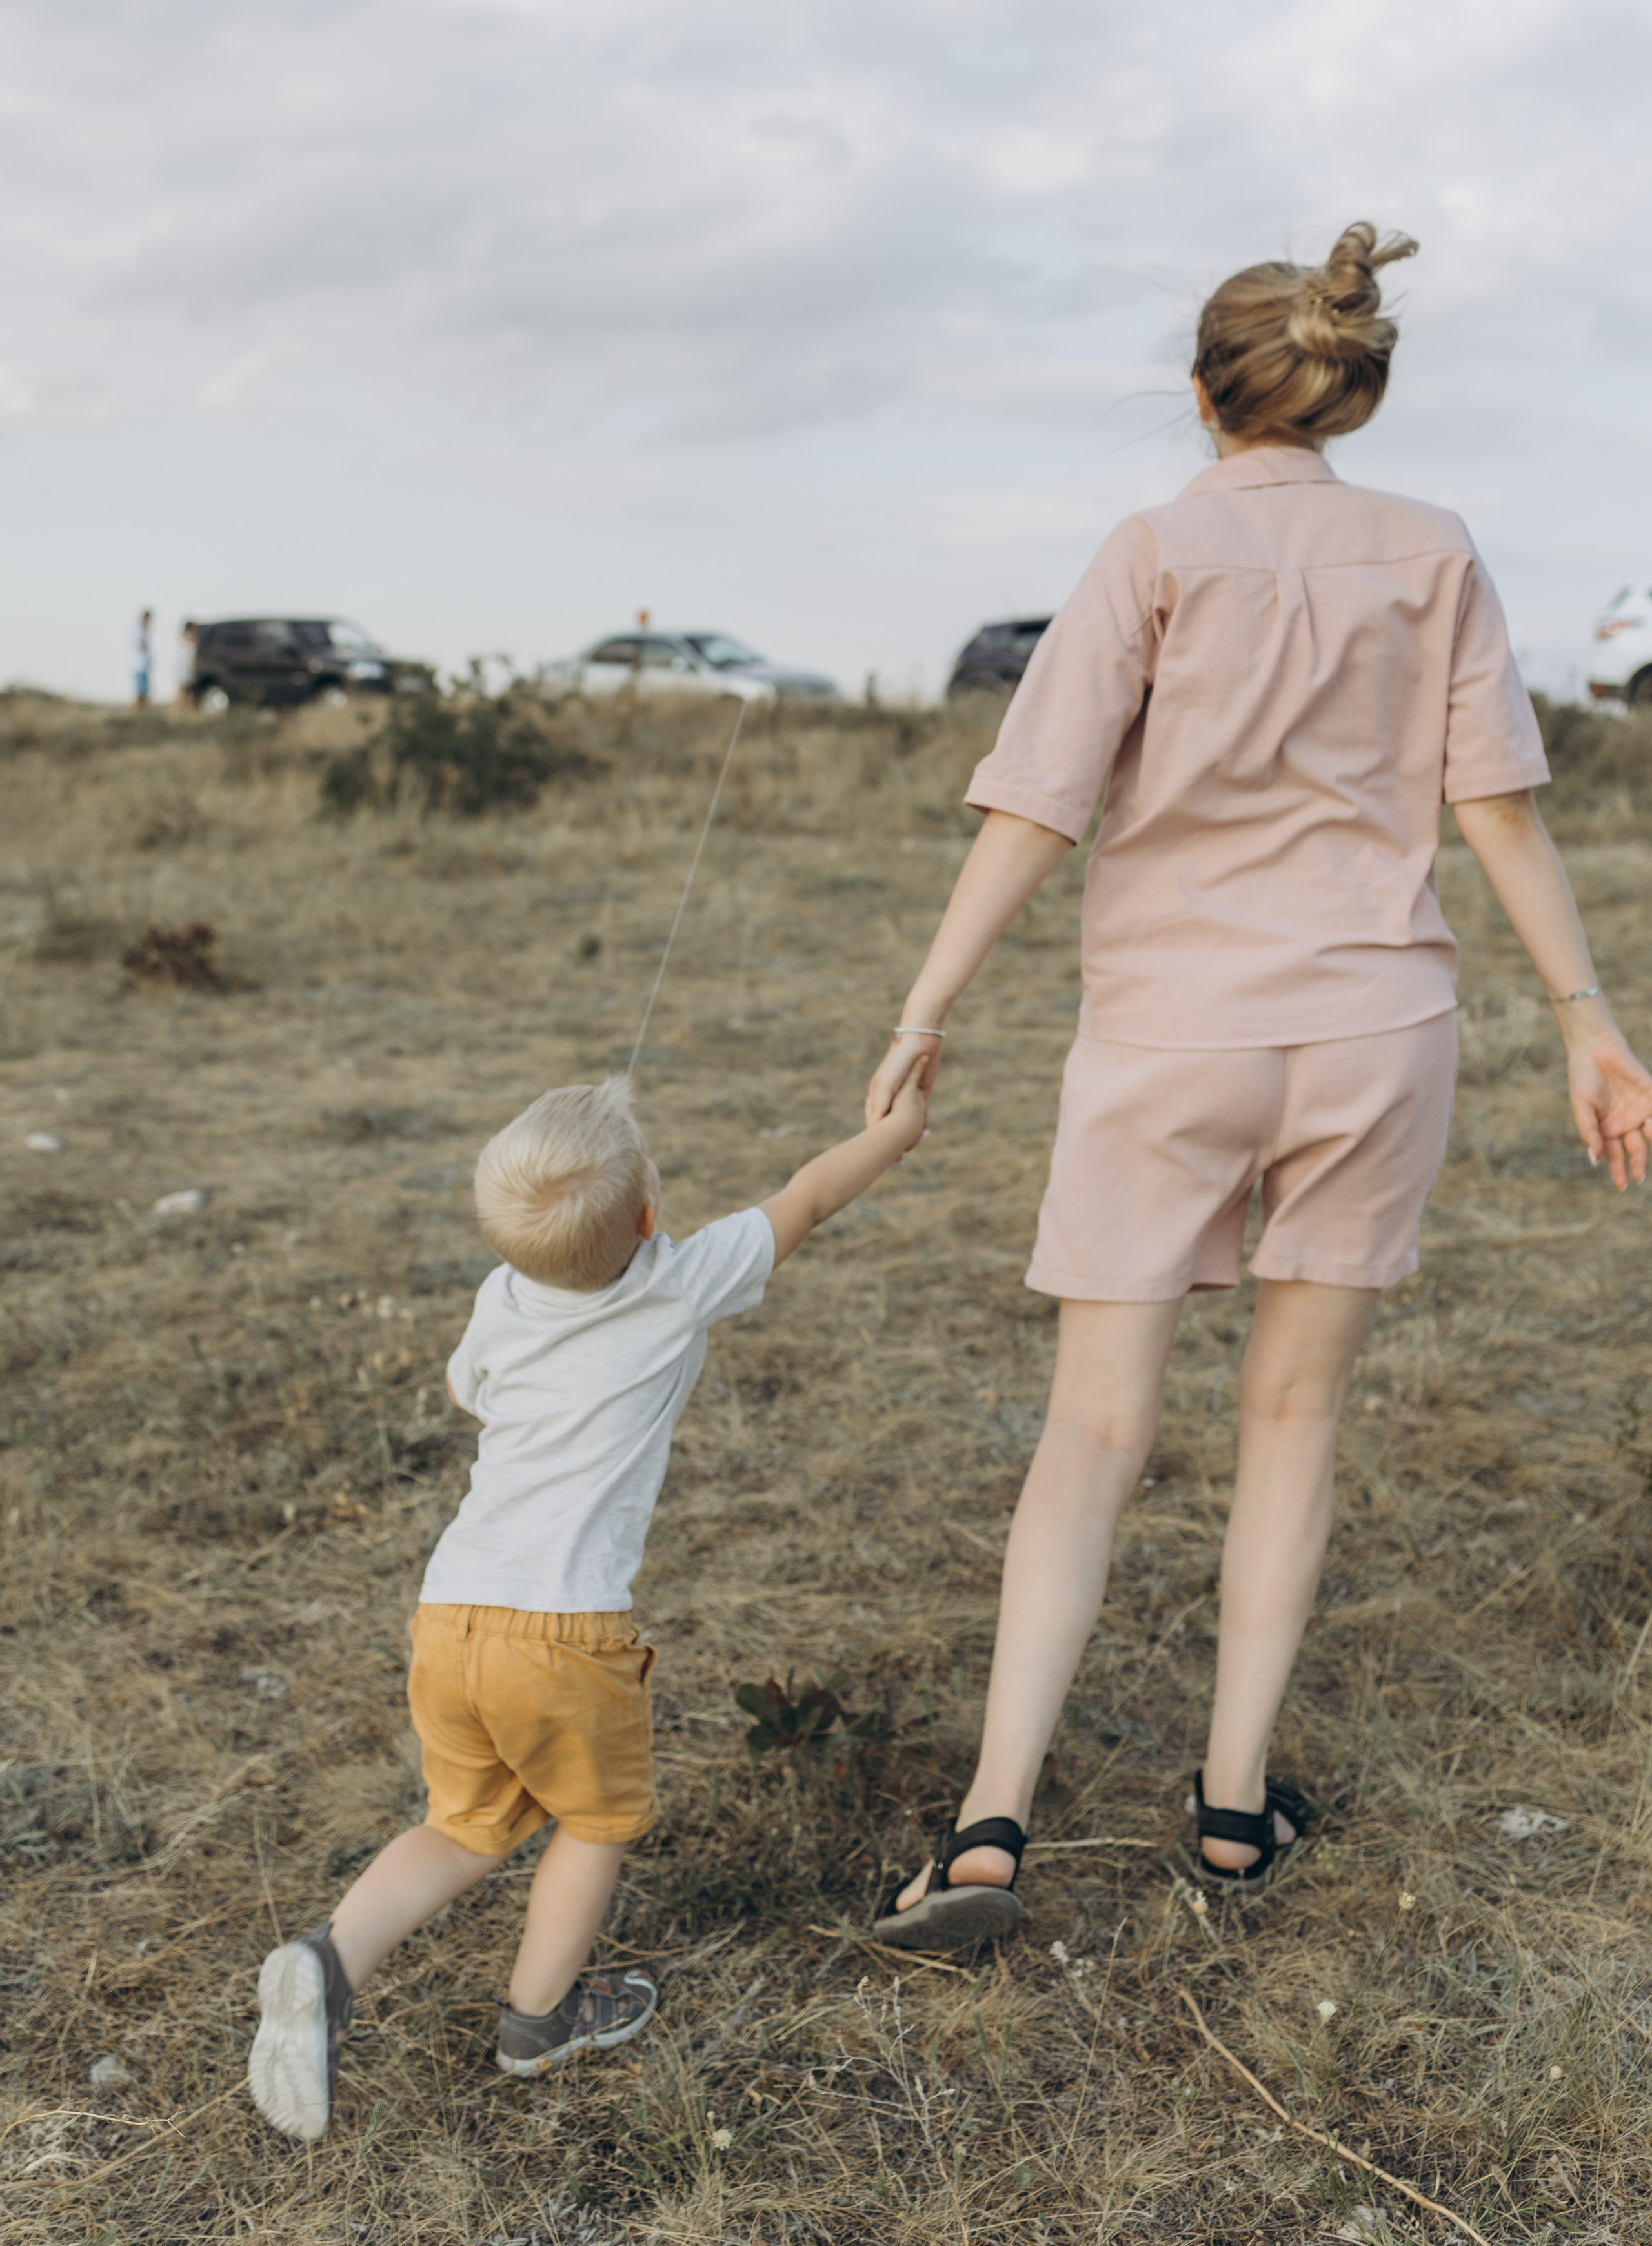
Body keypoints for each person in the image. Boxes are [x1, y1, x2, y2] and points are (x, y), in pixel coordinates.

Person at [865, 221, 1652, 1947]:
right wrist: (1590, 1017)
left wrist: (928, 1002)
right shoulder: (1433, 550)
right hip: (1381, 1031)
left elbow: (1038, 801)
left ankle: (993, 1826)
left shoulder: (1151, 549)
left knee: (1094, 1429)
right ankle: (1232, 1813)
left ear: (1207, 390)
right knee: (1294, 1415)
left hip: (1173, 1033)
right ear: (1351, 389)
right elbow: (1497, 805)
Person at [248, 1060, 930, 2141]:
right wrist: (894, 1135)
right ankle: (540, 2019)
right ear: (653, 1214)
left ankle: (326, 1963)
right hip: (565, 1635)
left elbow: (462, 1389)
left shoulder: (500, 1295)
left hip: (451, 1615)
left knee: (466, 1825)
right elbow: (805, 1196)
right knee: (596, 1822)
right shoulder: (680, 1278)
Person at [130, 608, 152, 709]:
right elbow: (139, 645)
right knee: (141, 692)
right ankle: (137, 710)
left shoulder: (143, 629)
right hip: (139, 664)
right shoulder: (138, 629)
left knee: (144, 691)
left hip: (143, 664)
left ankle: (142, 710)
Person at [174, 620, 199, 710]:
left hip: (188, 667)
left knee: (188, 691)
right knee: (184, 690)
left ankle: (191, 710)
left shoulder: (188, 636)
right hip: (185, 667)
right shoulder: (188, 636)